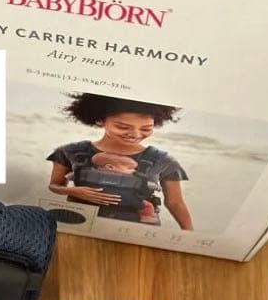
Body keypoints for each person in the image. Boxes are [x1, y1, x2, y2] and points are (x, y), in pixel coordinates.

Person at [46, 94, 193, 229]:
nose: (135, 135)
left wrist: (189, 235)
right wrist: (73, 191)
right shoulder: (70, 151)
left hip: (136, 230)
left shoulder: (163, 160)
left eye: (146, 129)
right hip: (80, 225)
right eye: (123, 127)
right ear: (100, 120)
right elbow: (54, 185)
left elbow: (175, 202)